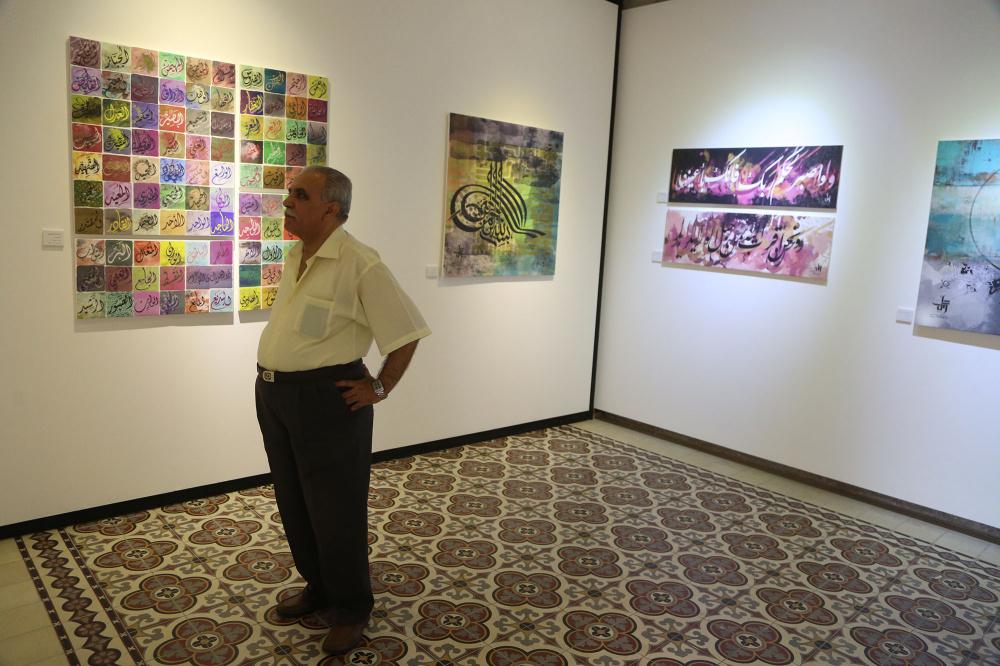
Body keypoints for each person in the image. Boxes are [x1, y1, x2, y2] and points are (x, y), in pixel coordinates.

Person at [255, 166, 430, 654]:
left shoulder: (360, 262)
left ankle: (352, 606)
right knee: (294, 499)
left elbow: (407, 332)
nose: (288, 201)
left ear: (331, 208)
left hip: (326, 400)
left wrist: (380, 386)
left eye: (300, 195)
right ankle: (319, 585)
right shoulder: (297, 254)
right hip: (276, 395)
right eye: (290, 193)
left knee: (336, 508)